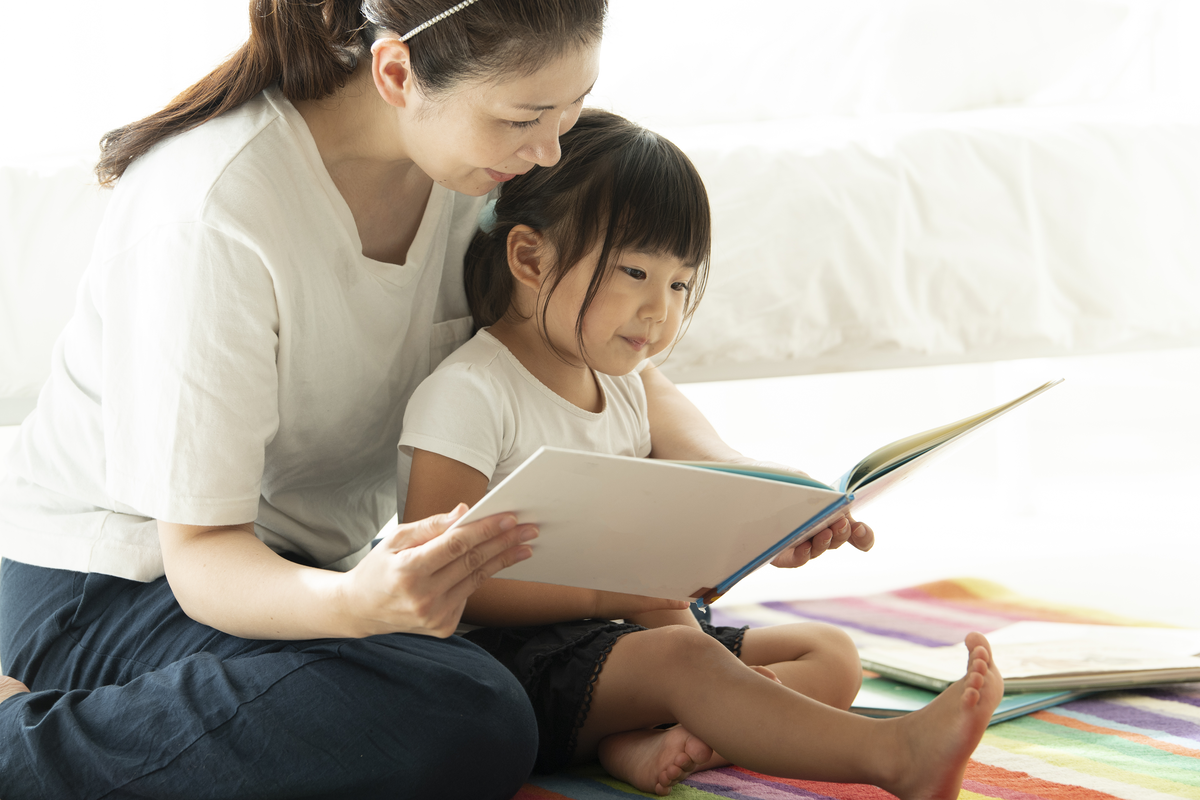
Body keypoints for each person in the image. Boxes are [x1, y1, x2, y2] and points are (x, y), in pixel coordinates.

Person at [0, 2, 616, 798]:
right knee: (468, 710)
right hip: (112, 581)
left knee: (575, 665)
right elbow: (202, 557)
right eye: (524, 118)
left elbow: (579, 341)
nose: (550, 149)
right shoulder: (213, 208)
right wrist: (358, 602)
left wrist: (746, 491)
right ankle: (20, 746)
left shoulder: (484, 175)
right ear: (396, 73)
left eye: (570, 111)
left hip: (299, 578)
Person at [398, 108, 1005, 797]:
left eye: (680, 283)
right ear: (531, 259)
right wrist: (617, 591)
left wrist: (796, 508)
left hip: (633, 635)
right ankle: (891, 755)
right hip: (514, 662)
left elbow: (716, 465)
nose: (660, 311)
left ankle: (654, 738)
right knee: (685, 656)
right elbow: (434, 579)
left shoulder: (629, 383)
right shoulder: (470, 393)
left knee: (828, 653)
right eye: (635, 272)